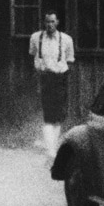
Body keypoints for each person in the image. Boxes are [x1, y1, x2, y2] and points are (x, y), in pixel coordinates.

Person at [29, 11, 75, 160]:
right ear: (44, 22)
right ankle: (51, 151)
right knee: (48, 115)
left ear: (58, 22)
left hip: (60, 78)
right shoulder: (36, 38)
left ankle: (52, 146)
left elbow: (70, 60)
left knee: (59, 115)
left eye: (53, 22)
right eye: (47, 22)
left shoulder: (67, 39)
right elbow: (33, 55)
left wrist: (62, 77)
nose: (50, 25)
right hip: (45, 78)